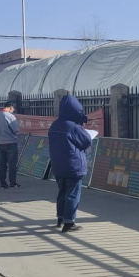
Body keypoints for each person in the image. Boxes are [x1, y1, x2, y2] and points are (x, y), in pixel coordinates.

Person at [48, 95, 91, 233]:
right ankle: (69, 222)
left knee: (62, 192)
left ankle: (60, 219)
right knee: (72, 194)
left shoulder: (54, 125)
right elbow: (86, 142)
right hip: (73, 166)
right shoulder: (73, 126)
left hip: (58, 166)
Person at [0, 102, 21, 189]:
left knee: (2, 164)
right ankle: (13, 182)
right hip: (11, 142)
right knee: (12, 164)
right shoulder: (10, 116)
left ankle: (3, 183)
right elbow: (16, 129)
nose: (13, 110)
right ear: (11, 107)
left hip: (0, 142)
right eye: (13, 109)